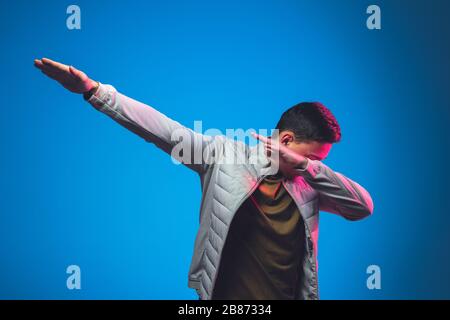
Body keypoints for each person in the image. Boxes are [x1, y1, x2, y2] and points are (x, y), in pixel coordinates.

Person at [34, 57, 374, 300]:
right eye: (311, 156)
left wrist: (306, 168)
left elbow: (362, 207)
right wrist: (95, 91)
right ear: (285, 141)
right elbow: (164, 130)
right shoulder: (224, 156)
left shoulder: (309, 185)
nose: (313, 165)